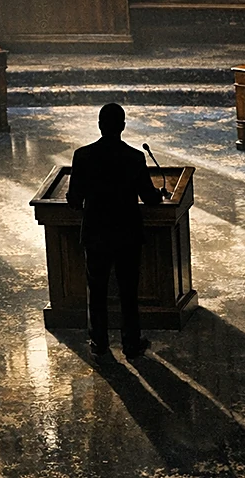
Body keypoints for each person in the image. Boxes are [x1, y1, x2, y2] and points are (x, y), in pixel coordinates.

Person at [66, 103, 167, 361]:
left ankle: (99, 342)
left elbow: (75, 199)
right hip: (126, 234)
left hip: (96, 233)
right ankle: (131, 344)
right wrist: (160, 194)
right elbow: (149, 197)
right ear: (123, 126)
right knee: (128, 291)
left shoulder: (82, 156)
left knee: (97, 291)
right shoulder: (134, 157)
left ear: (100, 125)